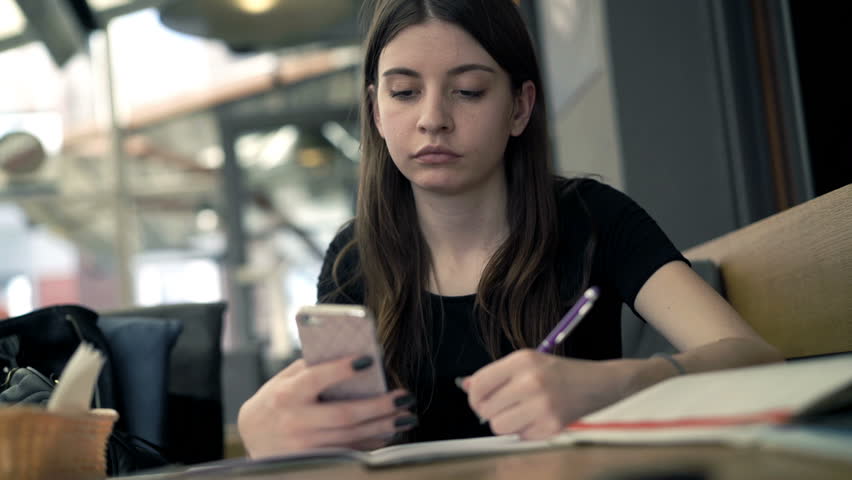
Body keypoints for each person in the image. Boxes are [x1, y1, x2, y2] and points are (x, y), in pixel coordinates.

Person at [238, 0, 783, 457]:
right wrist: (269, 432)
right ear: (376, 111)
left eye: (469, 91)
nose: (433, 118)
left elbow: (754, 359)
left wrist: (619, 385)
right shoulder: (350, 258)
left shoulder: (592, 218)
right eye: (404, 92)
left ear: (520, 108)